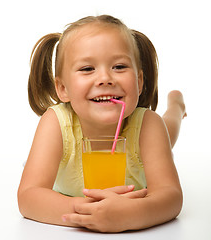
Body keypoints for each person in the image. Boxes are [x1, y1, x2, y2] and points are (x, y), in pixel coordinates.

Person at [17, 15, 186, 233]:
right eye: (87, 69)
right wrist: (85, 211)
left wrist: (130, 215)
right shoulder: (55, 123)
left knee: (167, 127)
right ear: (62, 89)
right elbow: (28, 196)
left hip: (151, 136)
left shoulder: (148, 126)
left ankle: (176, 106)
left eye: (119, 66)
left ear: (139, 81)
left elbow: (171, 196)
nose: (105, 78)